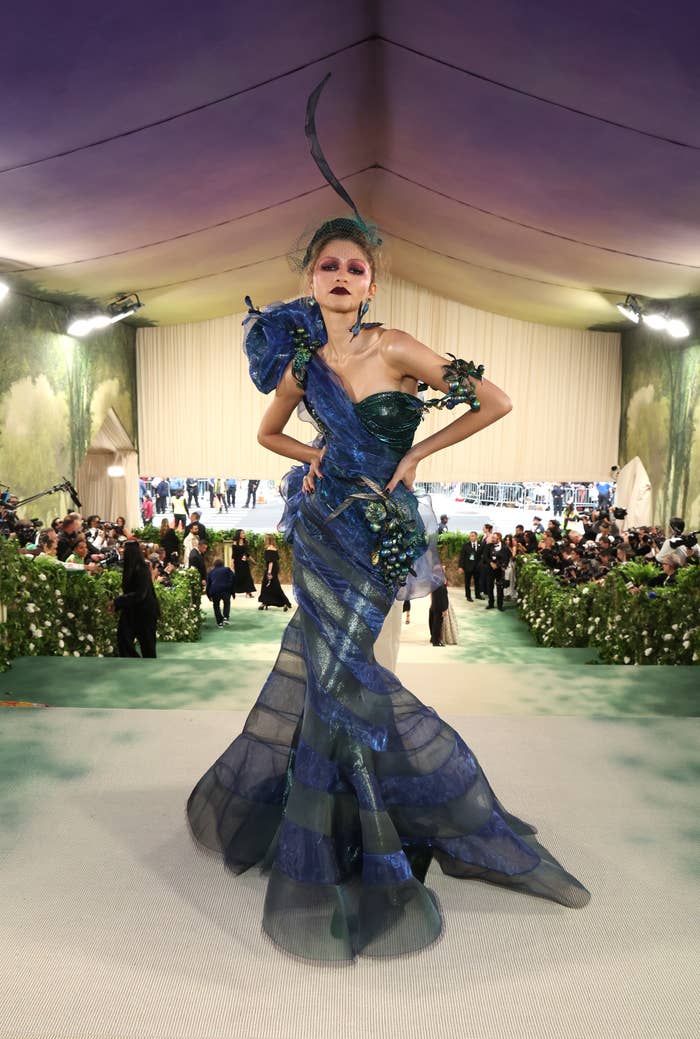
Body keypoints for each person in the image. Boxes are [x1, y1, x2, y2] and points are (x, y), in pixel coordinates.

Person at [187, 78, 589, 963]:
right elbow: (266, 433)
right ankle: (338, 840)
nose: (340, 277)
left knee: (346, 680)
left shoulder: (398, 346)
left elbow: (494, 398)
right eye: (327, 266)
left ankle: (407, 816)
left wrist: (415, 456)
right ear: (309, 280)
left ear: (371, 281)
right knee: (332, 682)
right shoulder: (299, 363)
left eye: (354, 267)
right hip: (322, 524)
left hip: (380, 532)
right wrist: (310, 457)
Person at [113, 540, 159, 658]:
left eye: (123, 548)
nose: (120, 550)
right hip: (132, 609)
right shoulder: (131, 566)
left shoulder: (141, 568)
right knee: (123, 639)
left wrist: (118, 601)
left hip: (145, 611)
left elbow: (140, 594)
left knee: (147, 646)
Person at [258, 533, 291, 611]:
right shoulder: (274, 548)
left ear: (267, 540)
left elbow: (271, 562)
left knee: (268, 584)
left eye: (265, 539)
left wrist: (269, 572)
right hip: (275, 569)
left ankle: (282, 602)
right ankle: (266, 602)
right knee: (273, 585)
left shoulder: (269, 549)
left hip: (271, 569)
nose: (264, 540)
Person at [485, 531, 511, 611]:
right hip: (490, 569)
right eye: (492, 537)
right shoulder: (488, 546)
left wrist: (504, 566)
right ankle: (491, 603)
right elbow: (485, 557)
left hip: (500, 570)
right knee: (490, 587)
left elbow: (508, 557)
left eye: (494, 537)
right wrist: (490, 563)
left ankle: (500, 605)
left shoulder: (505, 547)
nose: (492, 539)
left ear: (498, 538)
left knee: (500, 588)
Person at [206, 558, 236, 626]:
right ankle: (226, 617)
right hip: (226, 589)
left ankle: (219, 622)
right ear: (223, 564)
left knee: (216, 606)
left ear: (214, 565)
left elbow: (208, 585)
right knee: (227, 603)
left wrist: (209, 595)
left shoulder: (211, 572)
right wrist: (233, 592)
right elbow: (233, 578)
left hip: (215, 590)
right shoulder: (227, 570)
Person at [232, 529, 256, 597]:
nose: (244, 534)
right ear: (238, 534)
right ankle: (233, 590)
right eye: (242, 533)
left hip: (244, 562)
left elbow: (247, 553)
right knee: (238, 577)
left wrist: (252, 560)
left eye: (244, 533)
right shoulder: (235, 543)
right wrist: (232, 563)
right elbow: (234, 555)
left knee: (247, 576)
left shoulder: (245, 542)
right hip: (238, 563)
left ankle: (248, 592)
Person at [457, 530, 479, 600]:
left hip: (477, 567)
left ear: (476, 536)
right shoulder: (465, 545)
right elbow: (462, 557)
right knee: (467, 582)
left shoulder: (480, 545)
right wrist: (460, 567)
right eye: (470, 536)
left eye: (473, 536)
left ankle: (478, 595)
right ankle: (468, 596)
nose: (471, 537)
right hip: (468, 567)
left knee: (478, 582)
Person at [428, 576, 449, 646]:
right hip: (439, 607)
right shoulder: (441, 586)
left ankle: (433, 638)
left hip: (434, 606)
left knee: (433, 623)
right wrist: (444, 609)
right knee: (437, 624)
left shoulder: (434, 584)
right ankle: (436, 641)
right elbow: (443, 598)